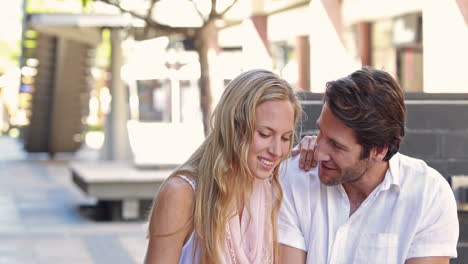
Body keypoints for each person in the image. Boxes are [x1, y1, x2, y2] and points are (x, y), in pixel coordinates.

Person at [278, 67, 459, 264]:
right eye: (321, 132)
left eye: (336, 145)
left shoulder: (428, 194)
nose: (319, 153)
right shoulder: (294, 177)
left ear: (379, 150)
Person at [144, 69, 303, 264]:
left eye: (286, 137)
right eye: (264, 134)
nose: (277, 150)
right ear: (233, 126)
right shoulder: (181, 194)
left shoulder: (273, 192)